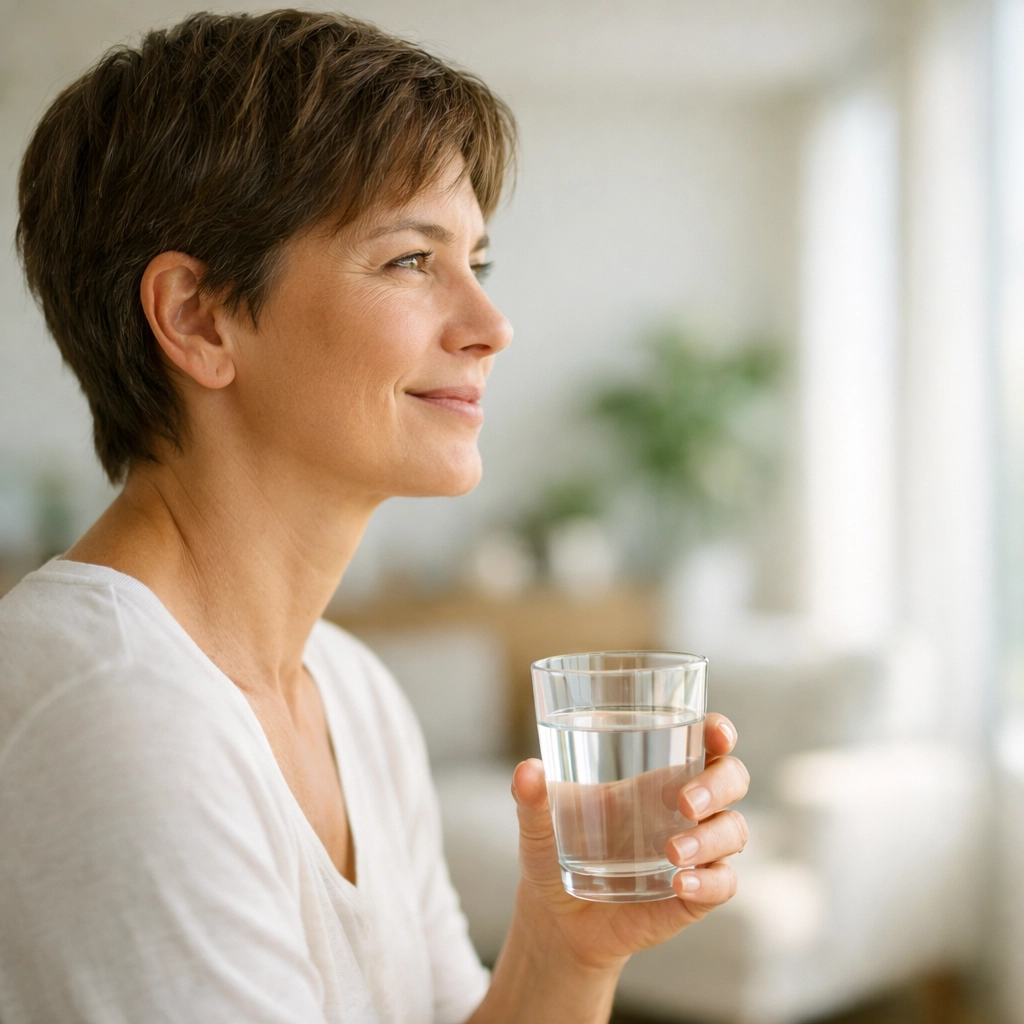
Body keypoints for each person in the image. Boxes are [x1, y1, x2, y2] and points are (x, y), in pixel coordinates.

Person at [0, 11, 750, 1024]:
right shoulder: (114, 713)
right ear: (198, 317)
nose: (490, 326)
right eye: (410, 260)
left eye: (474, 265)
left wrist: (565, 949)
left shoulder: (353, 692)